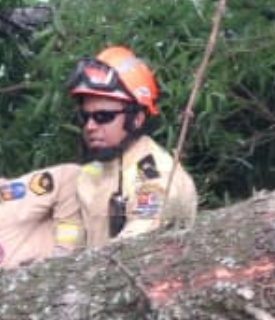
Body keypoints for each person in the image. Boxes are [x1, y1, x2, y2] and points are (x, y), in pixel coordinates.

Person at [65, 46, 196, 246]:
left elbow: (131, 252)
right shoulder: (95, 171)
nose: (90, 126)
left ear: (136, 119)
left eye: (103, 117)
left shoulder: (156, 179)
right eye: (85, 116)